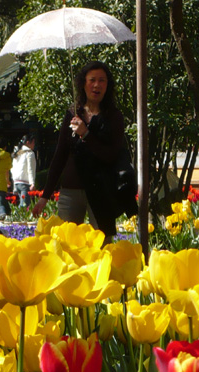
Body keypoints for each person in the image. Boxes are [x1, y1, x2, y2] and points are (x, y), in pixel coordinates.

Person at [31, 61, 134, 241]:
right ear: (83, 83)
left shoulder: (113, 116)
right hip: (70, 190)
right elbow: (60, 156)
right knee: (65, 244)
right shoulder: (73, 114)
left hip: (101, 190)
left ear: (107, 85)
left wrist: (86, 134)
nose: (97, 85)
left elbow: (110, 155)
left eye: (102, 80)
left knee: (103, 244)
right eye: (92, 80)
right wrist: (44, 196)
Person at [11, 134, 37, 208]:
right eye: (33, 142)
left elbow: (12, 168)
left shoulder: (17, 153)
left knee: (22, 204)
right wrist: (32, 183)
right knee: (24, 206)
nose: (34, 144)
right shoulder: (29, 153)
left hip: (16, 182)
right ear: (28, 142)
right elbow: (30, 169)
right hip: (24, 183)